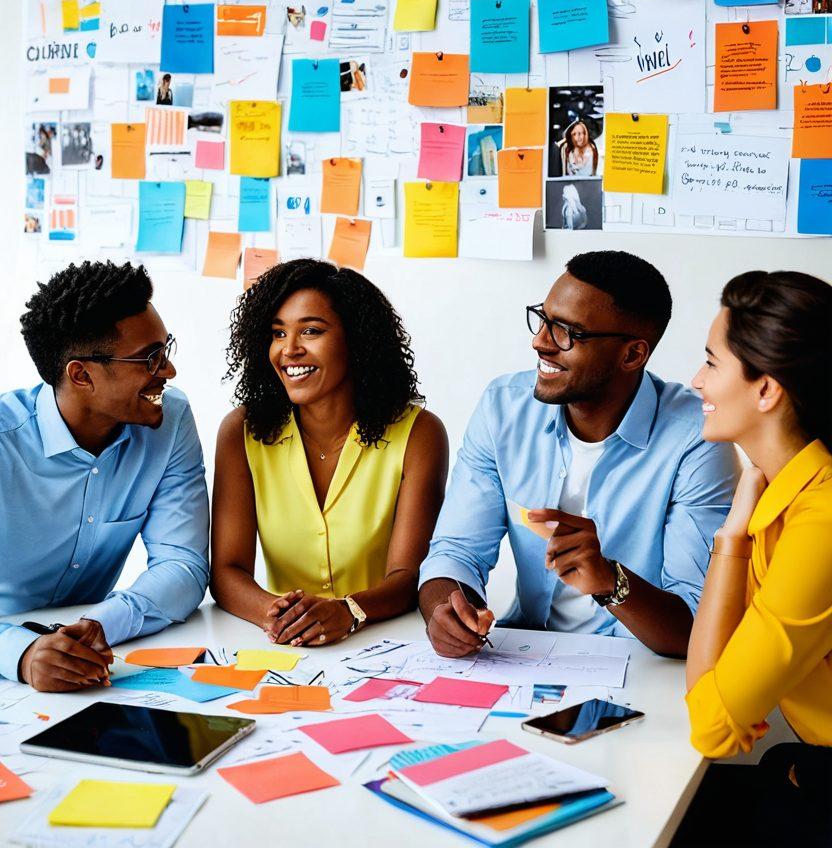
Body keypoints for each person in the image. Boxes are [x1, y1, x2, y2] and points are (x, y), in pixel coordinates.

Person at [419, 250, 738, 659]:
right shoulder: (504, 408)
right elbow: (455, 551)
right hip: (525, 655)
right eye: (543, 319)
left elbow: (694, 624)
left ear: (632, 355)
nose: (540, 341)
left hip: (643, 666)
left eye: (568, 332)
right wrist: (447, 609)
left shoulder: (697, 437)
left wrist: (609, 579)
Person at [211, 259, 448, 648]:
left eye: (311, 331)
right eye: (277, 333)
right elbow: (226, 570)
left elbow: (408, 576)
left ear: (356, 340)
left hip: (390, 645)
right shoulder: (242, 432)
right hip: (287, 650)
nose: (289, 350)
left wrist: (348, 611)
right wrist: (278, 615)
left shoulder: (419, 434)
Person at [673, 270, 832, 848]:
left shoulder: (821, 525)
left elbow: (713, 725)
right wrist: (736, 529)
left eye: (712, 363)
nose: (696, 381)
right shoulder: (786, 499)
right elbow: (711, 687)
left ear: (766, 390)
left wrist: (731, 542)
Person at [0, 261, 209, 691]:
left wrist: (100, 622)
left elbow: (182, 563)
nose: (168, 371)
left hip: (89, 665)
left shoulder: (170, 422)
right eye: (149, 358)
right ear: (81, 375)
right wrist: (20, 655)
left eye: (165, 349)